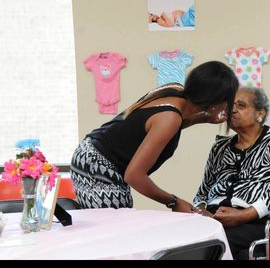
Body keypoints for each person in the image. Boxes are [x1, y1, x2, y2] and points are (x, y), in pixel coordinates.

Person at [70, 61, 239, 213]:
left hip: (89, 153)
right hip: (97, 165)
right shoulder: (169, 118)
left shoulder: (174, 92)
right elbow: (134, 176)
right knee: (114, 230)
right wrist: (173, 201)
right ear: (217, 102)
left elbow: (159, 126)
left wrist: (205, 118)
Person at [193, 87, 270, 259]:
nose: (232, 110)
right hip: (215, 219)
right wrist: (201, 211)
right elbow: (203, 192)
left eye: (241, 105)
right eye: (230, 106)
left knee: (209, 243)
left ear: (260, 113)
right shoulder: (220, 147)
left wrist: (244, 215)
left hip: (260, 220)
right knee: (181, 236)